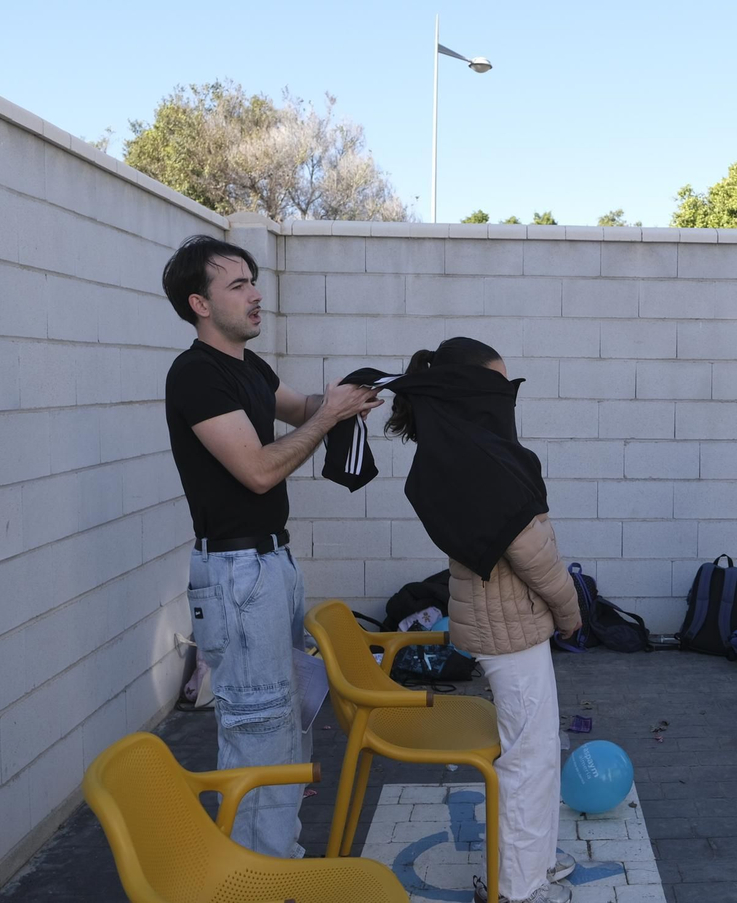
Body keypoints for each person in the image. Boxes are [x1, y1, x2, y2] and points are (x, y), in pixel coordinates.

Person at [161, 235, 380, 857]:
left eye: (253, 281)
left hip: (268, 564)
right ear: (200, 303)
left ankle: (281, 863)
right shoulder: (196, 374)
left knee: (287, 723)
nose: (256, 294)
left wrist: (348, 400)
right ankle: (256, 879)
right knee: (258, 730)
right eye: (238, 285)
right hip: (236, 573)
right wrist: (326, 417)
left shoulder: (248, 367)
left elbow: (302, 409)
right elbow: (258, 470)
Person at [375, 337, 583, 903]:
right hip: (509, 628)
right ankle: (517, 887)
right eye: (497, 386)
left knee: (535, 749)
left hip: (500, 623)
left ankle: (535, 863)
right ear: (470, 392)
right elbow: (534, 554)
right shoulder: (482, 460)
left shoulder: (460, 450)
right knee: (529, 757)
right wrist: (571, 612)